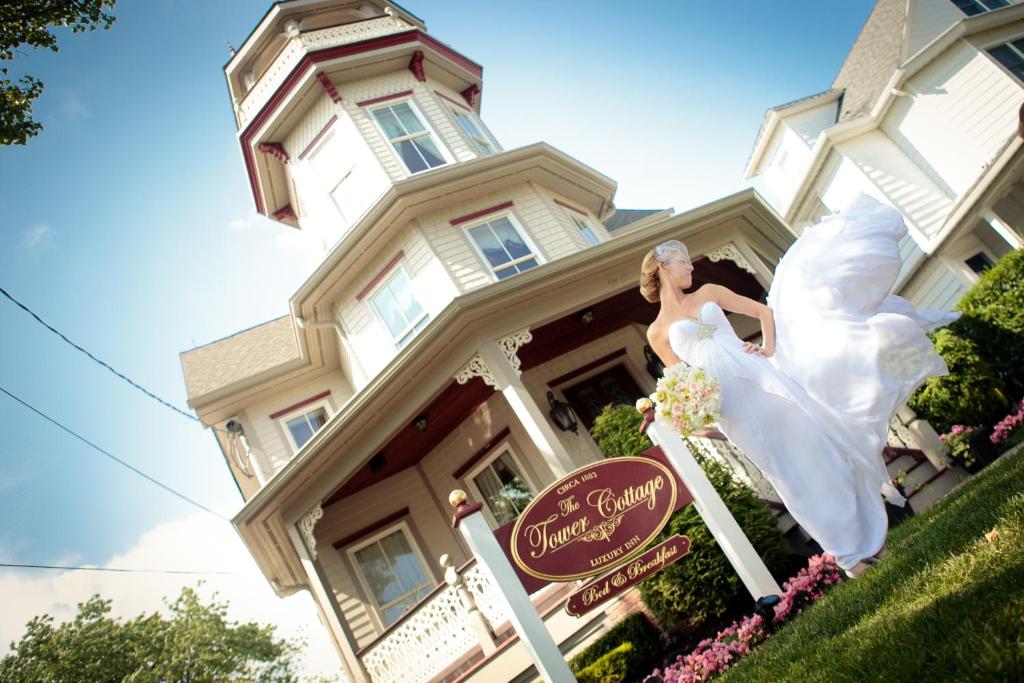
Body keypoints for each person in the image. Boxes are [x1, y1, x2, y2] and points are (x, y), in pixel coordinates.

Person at [643, 193, 958, 577]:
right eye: (683, 261)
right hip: (731, 409)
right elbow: (680, 378)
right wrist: (696, 413)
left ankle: (866, 534)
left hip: (761, 378)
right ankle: (848, 556)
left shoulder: (708, 294)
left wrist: (768, 348)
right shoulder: (657, 333)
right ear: (663, 266)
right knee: (786, 474)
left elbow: (762, 312)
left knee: (817, 448)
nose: (691, 266)